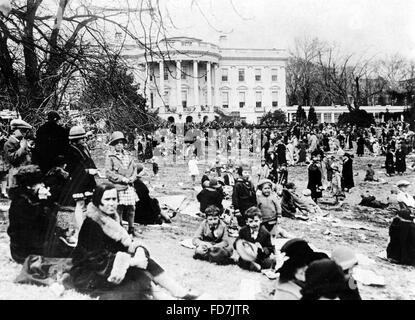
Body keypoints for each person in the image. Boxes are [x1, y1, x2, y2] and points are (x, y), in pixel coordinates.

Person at [69, 183, 201, 300]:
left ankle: (178, 291)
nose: (111, 203)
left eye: (114, 199)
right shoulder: (92, 223)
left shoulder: (111, 217)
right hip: (88, 273)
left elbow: (124, 244)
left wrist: (138, 251)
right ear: (98, 202)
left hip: (107, 265)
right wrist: (131, 262)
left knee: (145, 260)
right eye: (107, 199)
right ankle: (159, 295)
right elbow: (95, 259)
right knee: (135, 272)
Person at [7, 165, 71, 263]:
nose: (42, 185)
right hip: (24, 250)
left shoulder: (33, 198)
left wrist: (61, 232)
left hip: (35, 243)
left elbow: (46, 225)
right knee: (69, 253)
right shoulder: (20, 202)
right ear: (28, 186)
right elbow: (31, 230)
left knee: (70, 249)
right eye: (38, 183)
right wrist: (43, 204)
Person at [62, 126, 98, 240]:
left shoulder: (83, 148)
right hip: (78, 180)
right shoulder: (70, 151)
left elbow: (89, 161)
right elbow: (73, 169)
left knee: (86, 205)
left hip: (86, 180)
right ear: (75, 140)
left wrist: (94, 170)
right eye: (81, 138)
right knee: (80, 205)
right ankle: (80, 230)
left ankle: (85, 229)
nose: (84, 140)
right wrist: (88, 171)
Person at [105, 131, 139, 236]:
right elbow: (108, 172)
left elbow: (134, 168)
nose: (119, 145)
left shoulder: (128, 155)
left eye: (121, 142)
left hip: (129, 185)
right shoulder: (110, 156)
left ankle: (131, 229)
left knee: (132, 207)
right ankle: (120, 228)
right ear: (113, 145)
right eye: (116, 143)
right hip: (119, 186)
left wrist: (133, 178)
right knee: (119, 208)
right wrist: (121, 179)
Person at [234, 207, 275, 272]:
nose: (254, 224)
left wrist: (262, 249)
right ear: (247, 222)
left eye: (256, 221)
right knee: (242, 260)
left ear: (261, 220)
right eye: (251, 221)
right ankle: (253, 265)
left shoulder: (265, 233)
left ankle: (255, 265)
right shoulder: (243, 231)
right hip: (248, 254)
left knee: (267, 263)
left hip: (260, 255)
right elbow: (236, 243)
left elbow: (270, 248)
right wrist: (243, 244)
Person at [4, 119, 33, 188]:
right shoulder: (8, 143)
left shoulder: (22, 142)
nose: (25, 133)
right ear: (15, 131)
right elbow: (12, 159)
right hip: (15, 177)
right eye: (23, 131)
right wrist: (22, 148)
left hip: (25, 175)